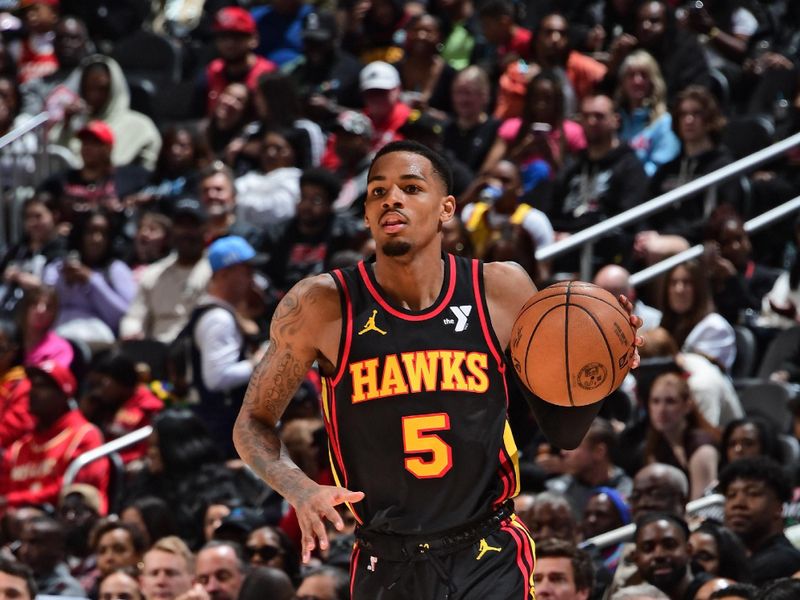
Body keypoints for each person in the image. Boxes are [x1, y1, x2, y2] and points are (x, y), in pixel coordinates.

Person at [233, 140, 643, 597]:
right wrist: (301, 489)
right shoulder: (320, 305)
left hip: (487, 549)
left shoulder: (500, 289)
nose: (391, 198)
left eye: (411, 187)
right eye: (377, 191)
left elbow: (563, 432)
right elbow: (252, 423)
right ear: (367, 215)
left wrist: (601, 366)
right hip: (385, 557)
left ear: (447, 207)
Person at [543, 93, 648, 270]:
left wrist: (575, 236)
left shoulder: (629, 167)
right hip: (562, 248)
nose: (591, 122)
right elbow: (552, 212)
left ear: (616, 120)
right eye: (586, 116)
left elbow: (626, 223)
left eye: (599, 116)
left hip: (604, 254)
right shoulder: (572, 167)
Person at [0, 360, 108, 510]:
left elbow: (74, 492)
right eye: (32, 385)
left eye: (42, 386)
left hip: (66, 522)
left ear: (63, 394)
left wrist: (13, 501)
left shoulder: (84, 436)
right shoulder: (19, 447)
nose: (32, 391)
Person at [43, 208, 137, 351]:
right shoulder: (56, 267)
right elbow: (44, 307)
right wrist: (63, 282)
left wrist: (92, 280)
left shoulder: (116, 269)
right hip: (57, 341)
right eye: (91, 232)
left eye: (103, 234)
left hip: (98, 344)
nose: (96, 239)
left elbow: (125, 316)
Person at [119, 198, 211, 344]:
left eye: (192, 225)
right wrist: (132, 332)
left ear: (205, 230)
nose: (186, 232)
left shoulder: (216, 272)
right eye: (181, 225)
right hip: (159, 350)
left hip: (199, 349)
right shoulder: (152, 274)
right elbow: (134, 316)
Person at [50, 54, 161, 169]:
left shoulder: (141, 127)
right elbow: (56, 162)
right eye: (88, 88)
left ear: (114, 88)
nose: (94, 95)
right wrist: (67, 126)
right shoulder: (74, 124)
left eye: (101, 89)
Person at [719, 456, 800, 586]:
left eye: (753, 493)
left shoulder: (781, 561)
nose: (738, 503)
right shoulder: (741, 558)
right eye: (731, 495)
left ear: (779, 508)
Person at [81, 352, 164, 464]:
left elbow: (143, 452)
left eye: (102, 384)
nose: (98, 391)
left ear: (121, 380)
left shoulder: (148, 407)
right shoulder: (99, 404)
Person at [196, 7, 276, 117]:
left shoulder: (268, 75)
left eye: (237, 37)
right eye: (223, 37)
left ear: (254, 39)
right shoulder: (211, 72)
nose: (229, 44)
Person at [657, 260, 737, 373]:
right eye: (673, 283)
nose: (679, 289)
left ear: (699, 289)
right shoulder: (662, 323)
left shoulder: (715, 327)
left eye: (687, 282)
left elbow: (706, 374)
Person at [546, 418, 633, 519]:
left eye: (573, 446)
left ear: (599, 451)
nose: (563, 452)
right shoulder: (557, 491)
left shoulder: (626, 493)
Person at [614, 50, 680, 177]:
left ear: (653, 81)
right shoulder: (615, 120)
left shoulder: (663, 123)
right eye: (631, 75)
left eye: (644, 75)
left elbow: (660, 167)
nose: (637, 81)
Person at [631, 513, 709, 600]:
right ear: (635, 557)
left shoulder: (714, 593)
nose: (659, 555)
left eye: (669, 545)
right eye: (648, 548)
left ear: (689, 550)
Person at [443, 66, 500, 174]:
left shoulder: (495, 129)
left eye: (468, 93)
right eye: (458, 92)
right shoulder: (446, 128)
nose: (462, 99)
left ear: (484, 95)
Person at [17, 515, 86, 597]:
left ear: (58, 549)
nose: (24, 551)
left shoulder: (68, 591)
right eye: (22, 542)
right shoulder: (18, 581)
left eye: (34, 543)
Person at [594, 265, 661, 331]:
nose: (603, 302)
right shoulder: (590, 320)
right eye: (597, 295)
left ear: (631, 295)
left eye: (612, 295)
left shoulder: (656, 323)